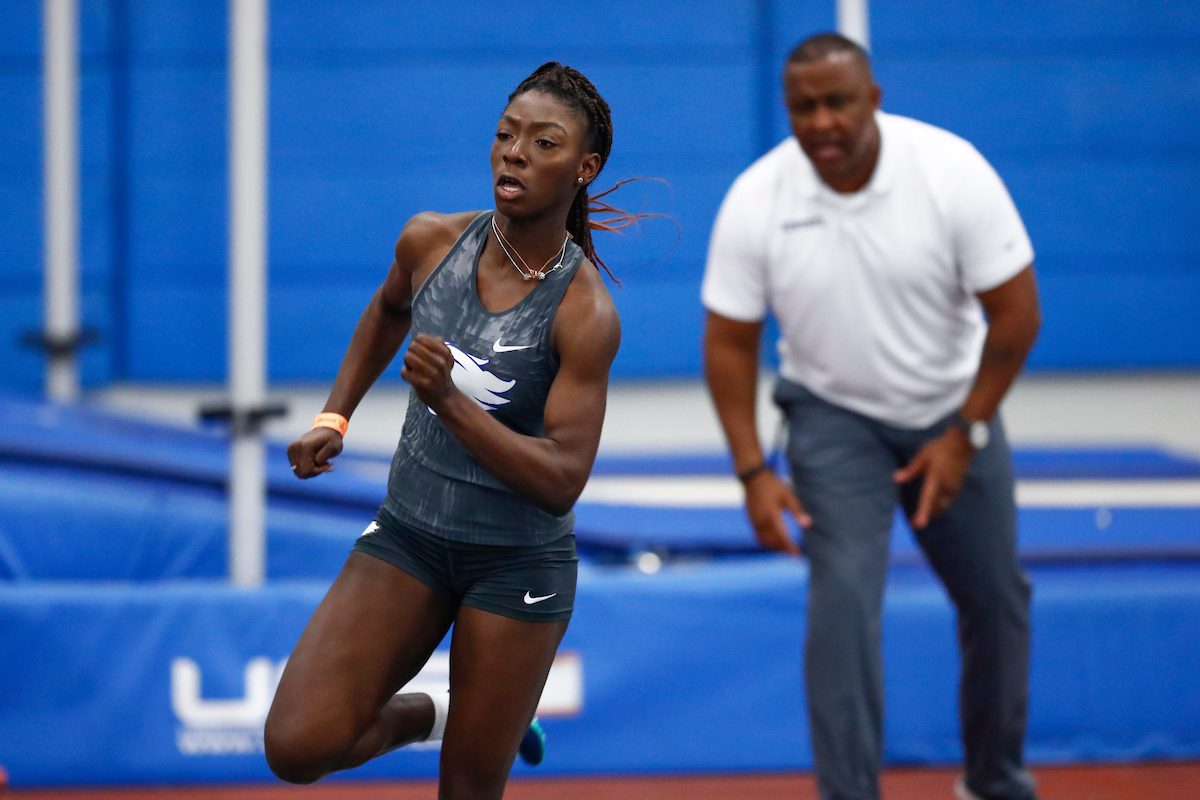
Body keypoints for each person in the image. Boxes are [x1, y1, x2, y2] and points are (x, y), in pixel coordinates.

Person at [264, 62, 626, 799]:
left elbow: (562, 480)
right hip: (411, 535)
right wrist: (335, 415)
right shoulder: (431, 241)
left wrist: (450, 400)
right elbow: (387, 310)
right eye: (505, 135)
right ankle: (432, 715)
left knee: (467, 789)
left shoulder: (583, 312)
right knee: (298, 745)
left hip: (516, 567)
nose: (513, 152)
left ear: (584, 168)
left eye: (543, 142)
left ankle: (485, 731)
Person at [702, 33, 1042, 800]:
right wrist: (753, 472)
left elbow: (1017, 315)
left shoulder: (951, 174)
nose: (820, 121)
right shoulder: (759, 197)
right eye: (803, 107)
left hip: (954, 412)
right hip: (832, 416)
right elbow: (728, 343)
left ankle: (995, 780)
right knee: (844, 601)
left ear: (874, 99)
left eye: (837, 102)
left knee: (996, 599)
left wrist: (966, 432)